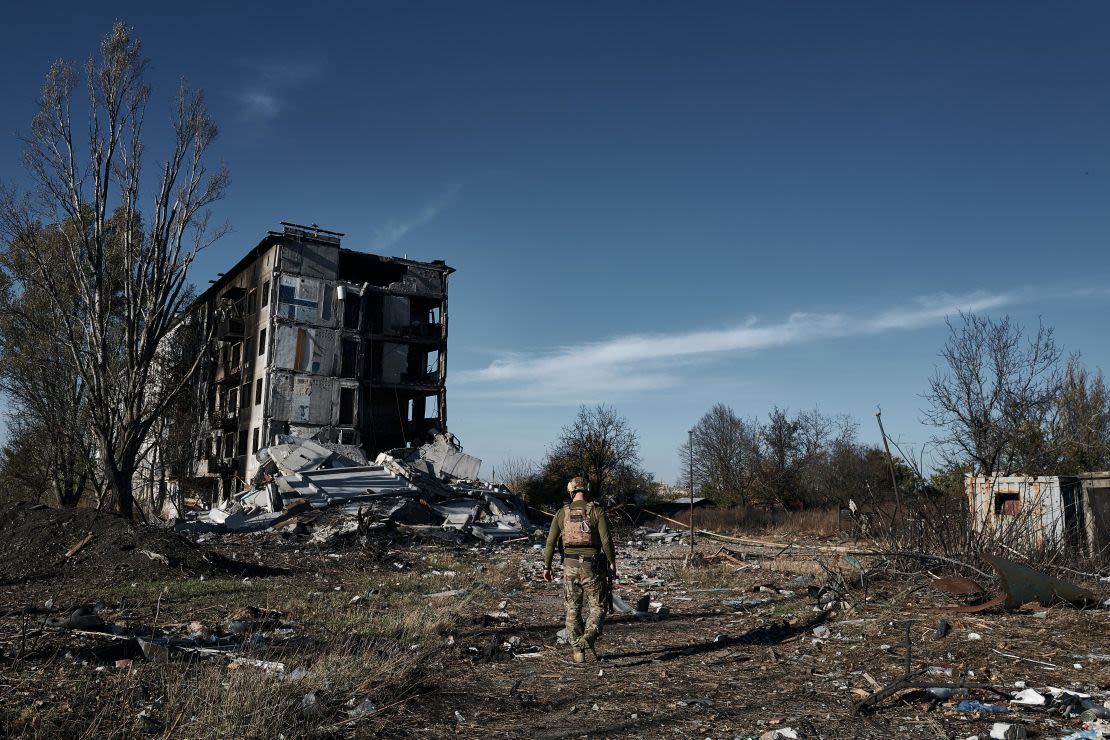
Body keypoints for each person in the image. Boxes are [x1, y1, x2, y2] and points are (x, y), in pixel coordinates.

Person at [542, 477, 616, 663]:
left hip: (570, 567)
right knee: (598, 607)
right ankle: (588, 637)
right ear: (587, 490)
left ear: (570, 491)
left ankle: (578, 652)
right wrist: (612, 562)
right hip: (592, 567)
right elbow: (606, 540)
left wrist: (547, 566)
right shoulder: (596, 511)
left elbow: (550, 542)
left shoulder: (561, 513)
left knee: (572, 609)